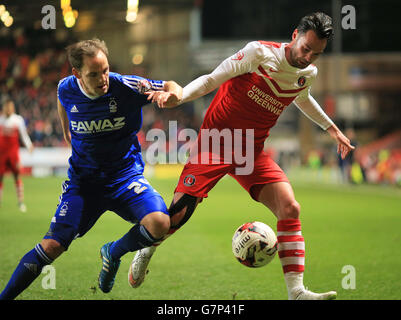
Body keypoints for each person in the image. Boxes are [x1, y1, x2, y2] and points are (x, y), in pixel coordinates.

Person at [131, 12, 355, 300]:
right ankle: (147, 248)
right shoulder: (258, 53)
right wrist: (181, 96)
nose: (309, 57)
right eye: (306, 48)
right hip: (216, 141)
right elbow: (212, 79)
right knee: (177, 216)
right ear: (294, 36)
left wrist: (332, 129)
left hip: (252, 151)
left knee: (290, 209)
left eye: (317, 53)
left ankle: (296, 293)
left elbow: (302, 96)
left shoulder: (307, 73)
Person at [0, 38, 182, 300]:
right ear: (77, 74)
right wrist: (66, 129)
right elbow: (62, 97)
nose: (103, 78)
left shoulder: (126, 86)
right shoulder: (67, 87)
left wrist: (173, 95)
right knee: (51, 246)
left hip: (125, 177)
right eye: (94, 74)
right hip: (83, 184)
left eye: (105, 70)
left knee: (160, 223)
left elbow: (170, 86)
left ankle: (113, 252)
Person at [0, 99, 34, 212]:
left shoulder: (17, 120)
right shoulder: (1, 119)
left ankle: (20, 202)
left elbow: (23, 135)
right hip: (1, 154)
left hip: (13, 154)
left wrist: (29, 145)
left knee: (17, 176)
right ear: (4, 108)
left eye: (10, 107)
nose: (8, 109)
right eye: (6, 107)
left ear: (13, 108)